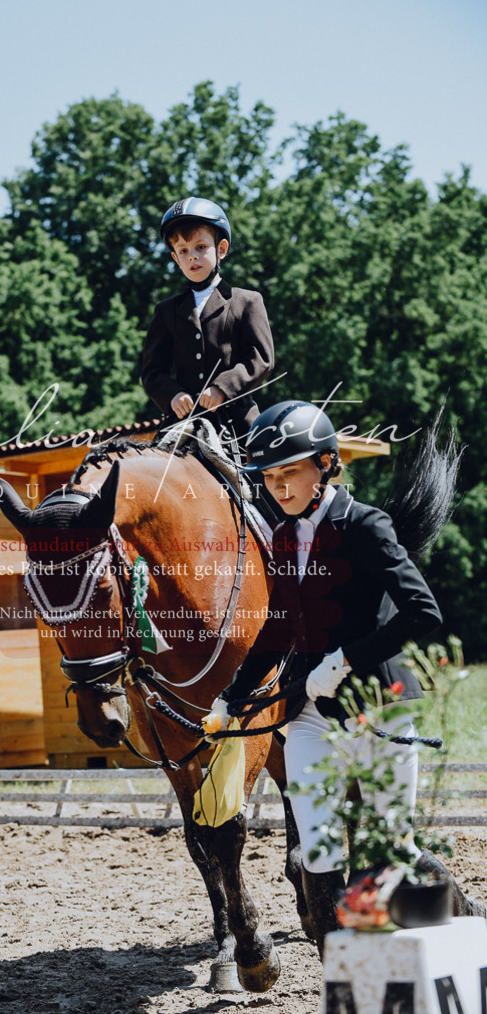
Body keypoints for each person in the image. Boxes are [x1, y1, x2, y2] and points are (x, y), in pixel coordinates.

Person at [205, 400, 485, 955]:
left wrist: (345, 660)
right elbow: (278, 631)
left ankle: (457, 933)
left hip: (379, 708)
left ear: (327, 464)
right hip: (309, 718)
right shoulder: (282, 541)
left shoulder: (366, 526)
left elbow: (422, 613)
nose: (279, 487)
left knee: (392, 848)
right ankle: (342, 979)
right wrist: (230, 697)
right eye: (270, 477)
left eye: (290, 473)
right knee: (318, 847)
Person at [141, 197, 274, 443]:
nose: (192, 256)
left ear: (221, 249)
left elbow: (261, 359)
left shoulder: (247, 301)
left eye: (201, 247)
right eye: (183, 251)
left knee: (266, 473)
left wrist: (222, 388)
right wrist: (172, 396)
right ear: (175, 258)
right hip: (183, 423)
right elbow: (152, 372)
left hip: (238, 423)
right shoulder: (165, 311)